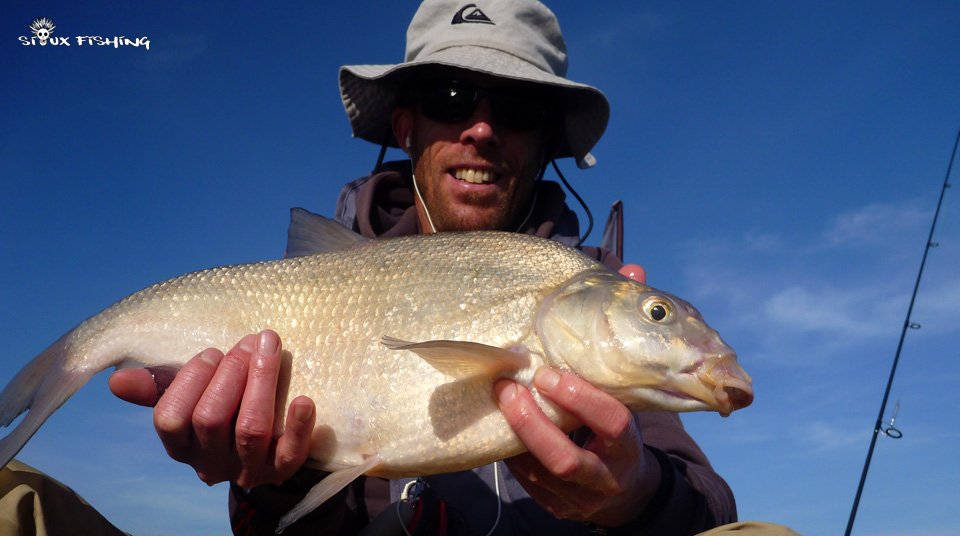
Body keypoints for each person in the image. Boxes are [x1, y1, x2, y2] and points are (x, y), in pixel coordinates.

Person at [5, 1, 797, 535]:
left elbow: (707, 504)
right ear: (408, 124)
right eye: (455, 96)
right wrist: (265, 478)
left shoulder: (585, 293)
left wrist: (635, 494)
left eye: (517, 109)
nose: (484, 129)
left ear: (544, 141)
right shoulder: (316, 280)